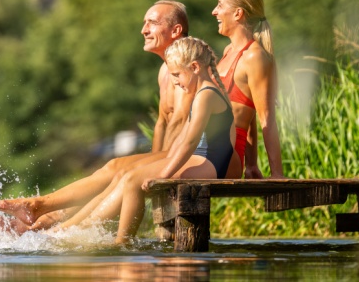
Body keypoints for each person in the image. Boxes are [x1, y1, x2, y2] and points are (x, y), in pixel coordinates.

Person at [0, 0, 199, 232]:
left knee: (120, 169)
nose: (144, 30)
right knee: (115, 166)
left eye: (152, 23)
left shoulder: (187, 66)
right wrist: (155, 156)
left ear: (176, 30)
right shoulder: (164, 70)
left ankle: (45, 218)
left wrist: (160, 162)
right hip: (170, 153)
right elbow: (163, 122)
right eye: (144, 23)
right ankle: (41, 219)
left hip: (190, 156)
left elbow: (180, 121)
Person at [51, 37, 235, 244]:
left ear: (194, 67)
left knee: (133, 180)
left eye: (176, 75)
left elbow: (189, 143)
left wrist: (164, 175)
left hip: (209, 164)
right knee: (128, 174)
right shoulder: (201, 93)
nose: (175, 81)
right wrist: (159, 162)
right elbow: (185, 141)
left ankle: (121, 241)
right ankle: (79, 227)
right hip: (199, 160)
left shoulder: (206, 95)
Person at [214, 0, 284, 179]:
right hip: (208, 145)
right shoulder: (229, 51)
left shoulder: (254, 57)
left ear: (238, 13)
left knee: (138, 175)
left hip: (225, 154)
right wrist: (251, 164)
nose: (214, 12)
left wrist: (277, 174)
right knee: (123, 168)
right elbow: (247, 108)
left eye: (220, 6)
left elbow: (266, 117)